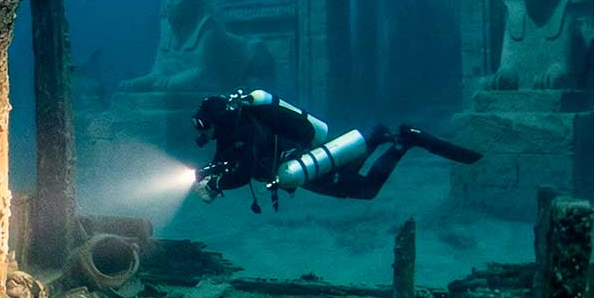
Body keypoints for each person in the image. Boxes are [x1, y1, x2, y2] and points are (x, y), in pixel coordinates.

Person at [189, 89, 479, 210]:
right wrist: (207, 172)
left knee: (366, 190)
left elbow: (245, 171)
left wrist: (216, 183)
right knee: (349, 169)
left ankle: (405, 140)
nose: (202, 131)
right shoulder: (232, 130)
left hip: (300, 166)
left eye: (204, 124)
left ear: (218, 120)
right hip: (301, 164)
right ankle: (375, 136)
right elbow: (225, 159)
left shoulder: (245, 130)